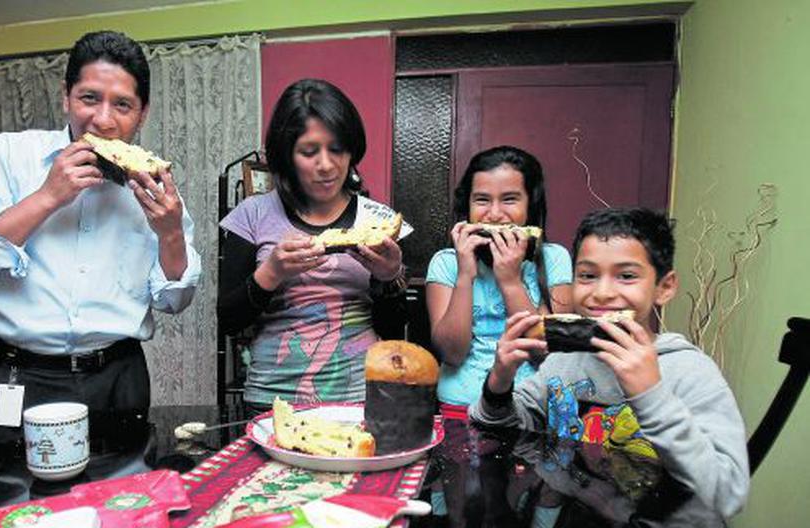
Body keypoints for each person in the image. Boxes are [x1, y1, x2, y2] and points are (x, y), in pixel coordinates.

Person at [0, 30, 202, 450]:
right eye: (89, 98)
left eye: (122, 105)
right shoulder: (7, 155)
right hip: (17, 377)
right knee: (12, 510)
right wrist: (48, 197)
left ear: (143, 113)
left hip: (118, 377)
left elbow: (175, 301)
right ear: (65, 96)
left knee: (122, 508)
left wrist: (170, 233)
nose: (103, 120)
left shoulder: (157, 191)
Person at [471, 207, 749, 517]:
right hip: (571, 511)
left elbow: (727, 496)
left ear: (664, 287)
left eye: (626, 276)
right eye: (587, 276)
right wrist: (500, 379)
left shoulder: (689, 371)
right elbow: (500, 429)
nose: (602, 293)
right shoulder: (564, 361)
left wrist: (651, 394)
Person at [217, 79, 409, 415]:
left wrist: (388, 278)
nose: (326, 165)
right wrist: (270, 274)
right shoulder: (252, 214)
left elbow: (393, 330)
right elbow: (228, 321)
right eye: (309, 151)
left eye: (337, 149)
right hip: (270, 400)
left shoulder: (378, 220)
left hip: (359, 397)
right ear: (287, 156)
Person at [426, 146, 572, 419]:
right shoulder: (446, 263)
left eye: (509, 199)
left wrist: (510, 280)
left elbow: (550, 351)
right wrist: (464, 275)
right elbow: (453, 353)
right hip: (459, 405)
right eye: (482, 200)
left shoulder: (555, 259)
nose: (494, 214)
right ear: (467, 206)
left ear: (531, 205)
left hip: (535, 405)